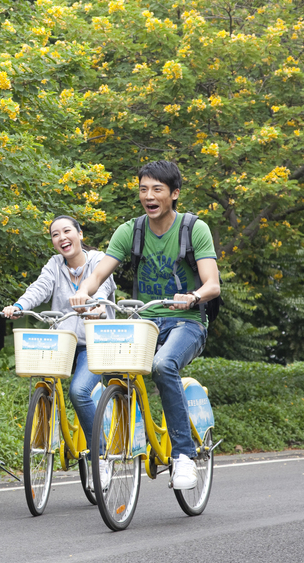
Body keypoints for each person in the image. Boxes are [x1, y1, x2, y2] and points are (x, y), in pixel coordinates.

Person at [69, 160, 221, 490]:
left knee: (164, 365)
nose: (148, 196)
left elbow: (213, 284)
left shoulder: (193, 229)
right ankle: (105, 457)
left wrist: (192, 296)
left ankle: (183, 456)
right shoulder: (131, 230)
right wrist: (83, 293)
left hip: (187, 322)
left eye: (156, 189)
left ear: (174, 193)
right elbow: (97, 274)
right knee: (104, 373)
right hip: (145, 321)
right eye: (143, 189)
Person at [1, 215, 116, 454]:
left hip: (94, 342)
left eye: (66, 231)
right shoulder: (55, 264)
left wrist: (99, 306)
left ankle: (100, 453)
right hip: (64, 341)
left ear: (80, 234)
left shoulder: (99, 260)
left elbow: (103, 286)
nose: (62, 238)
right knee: (41, 379)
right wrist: (20, 306)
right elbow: (39, 287)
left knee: (79, 391)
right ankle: (48, 437)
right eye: (55, 235)